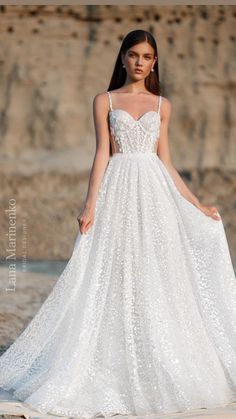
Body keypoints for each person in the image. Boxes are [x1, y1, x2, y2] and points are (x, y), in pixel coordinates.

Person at [0, 29, 236, 418]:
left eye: (147, 56)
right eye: (133, 55)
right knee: (112, 274)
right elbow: (101, 156)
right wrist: (89, 203)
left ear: (154, 62)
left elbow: (166, 162)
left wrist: (196, 205)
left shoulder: (163, 105)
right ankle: (110, 361)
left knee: (157, 275)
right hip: (118, 193)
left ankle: (157, 360)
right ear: (122, 58)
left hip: (156, 196)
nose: (140, 62)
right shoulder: (104, 101)